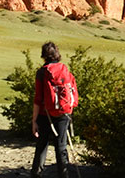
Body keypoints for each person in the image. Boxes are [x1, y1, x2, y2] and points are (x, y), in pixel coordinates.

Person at [31, 41, 78, 178]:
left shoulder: (41, 72)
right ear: (57, 54)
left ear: (43, 55)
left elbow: (38, 99)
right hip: (64, 113)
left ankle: (36, 174)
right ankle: (64, 175)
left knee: (41, 146)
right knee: (61, 147)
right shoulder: (65, 70)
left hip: (44, 114)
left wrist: (34, 121)